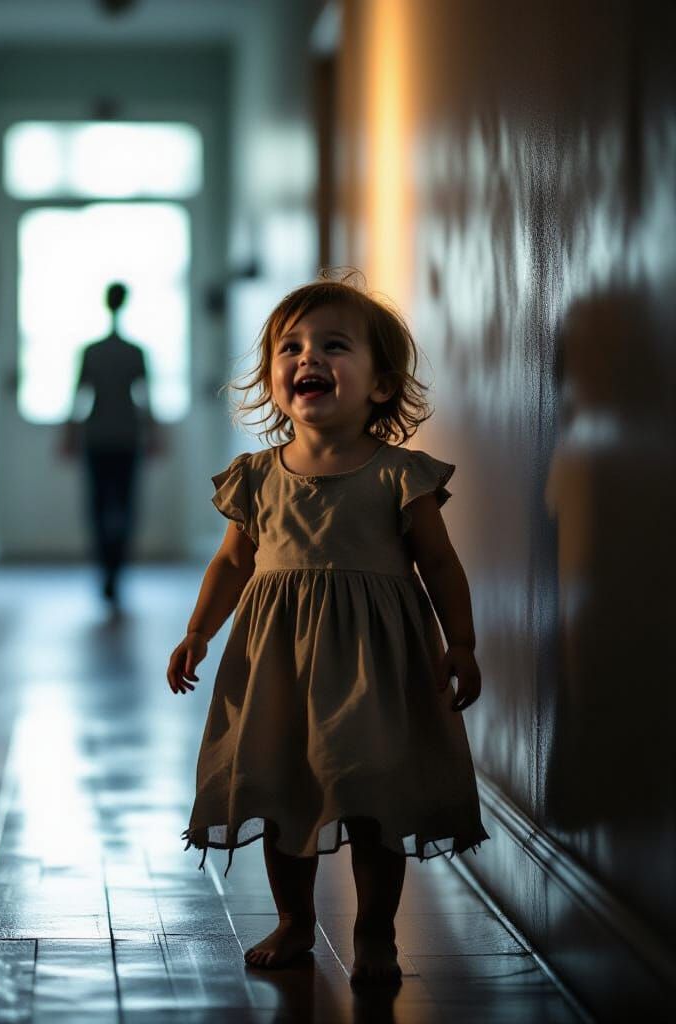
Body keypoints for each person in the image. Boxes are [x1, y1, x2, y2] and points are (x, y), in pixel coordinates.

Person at [165, 268, 488, 986]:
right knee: (282, 788)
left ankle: (374, 929)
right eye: (291, 348)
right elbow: (230, 564)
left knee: (373, 794)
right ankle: (294, 919)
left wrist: (460, 642)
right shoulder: (255, 476)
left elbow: (439, 564)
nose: (308, 359)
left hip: (378, 667)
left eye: (333, 346)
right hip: (277, 661)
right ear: (273, 377)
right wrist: (198, 631)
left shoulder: (399, 475)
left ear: (379, 384)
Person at [59, 282, 162, 608]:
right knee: (125, 506)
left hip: (99, 436)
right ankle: (115, 572)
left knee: (99, 505)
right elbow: (145, 399)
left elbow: (80, 397)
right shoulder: (134, 353)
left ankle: (108, 571)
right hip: (126, 436)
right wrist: (154, 434)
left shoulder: (92, 352)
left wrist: (70, 434)